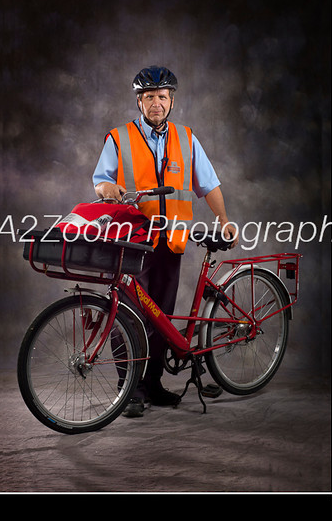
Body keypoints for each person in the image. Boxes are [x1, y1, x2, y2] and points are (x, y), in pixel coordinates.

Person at [93, 65, 238, 417]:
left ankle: (154, 384)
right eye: (148, 97)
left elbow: (209, 184)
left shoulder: (187, 139)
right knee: (128, 314)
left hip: (171, 241)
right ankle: (131, 389)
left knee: (160, 315)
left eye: (161, 97)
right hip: (131, 241)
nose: (155, 103)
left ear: (171, 101)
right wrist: (107, 188)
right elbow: (101, 181)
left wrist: (224, 219)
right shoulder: (119, 138)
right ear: (139, 102)